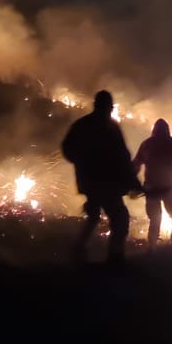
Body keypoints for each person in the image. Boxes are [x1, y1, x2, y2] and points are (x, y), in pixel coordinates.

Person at [61, 90, 141, 264]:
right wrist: (133, 182)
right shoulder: (110, 128)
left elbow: (67, 148)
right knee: (120, 219)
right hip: (106, 183)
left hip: (91, 182)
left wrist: (81, 163)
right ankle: (114, 259)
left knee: (94, 216)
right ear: (107, 107)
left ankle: (78, 251)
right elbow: (123, 157)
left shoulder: (83, 125)